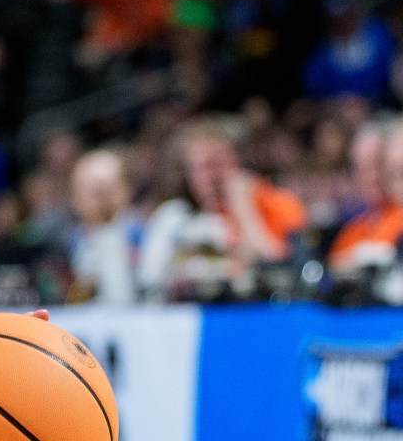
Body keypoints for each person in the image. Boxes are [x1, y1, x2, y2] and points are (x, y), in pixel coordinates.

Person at [137, 118, 306, 299]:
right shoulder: (177, 216)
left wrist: (243, 207)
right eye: (196, 168)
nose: (206, 177)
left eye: (213, 165)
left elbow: (283, 265)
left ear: (236, 161)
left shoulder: (279, 201)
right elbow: (149, 278)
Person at [65, 148, 145, 305]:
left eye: (105, 189)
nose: (100, 199)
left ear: (126, 189)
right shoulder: (68, 243)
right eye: (89, 189)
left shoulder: (145, 237)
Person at [328, 120, 403, 276]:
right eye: (359, 168)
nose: (367, 177)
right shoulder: (357, 225)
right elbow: (331, 270)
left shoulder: (397, 216)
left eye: (374, 165)